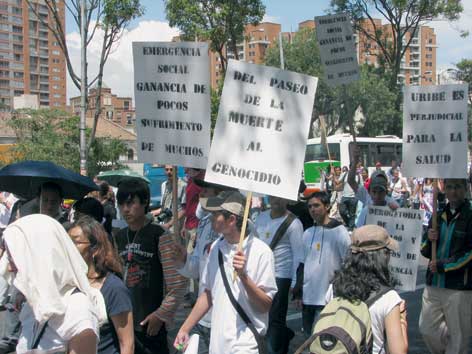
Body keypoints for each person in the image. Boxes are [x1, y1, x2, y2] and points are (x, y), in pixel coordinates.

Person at [174, 191, 277, 354]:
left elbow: (264, 305)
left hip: (245, 345)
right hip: (218, 344)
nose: (211, 217)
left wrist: (243, 276)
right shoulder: (215, 248)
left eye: (216, 214)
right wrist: (185, 328)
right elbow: (208, 293)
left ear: (232, 220)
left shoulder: (261, 252)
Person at [0, 214, 100, 354]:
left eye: (16, 258)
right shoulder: (33, 304)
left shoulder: (77, 310)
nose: (10, 268)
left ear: (38, 255)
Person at [115, 179, 186, 354]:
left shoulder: (160, 235)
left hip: (150, 327)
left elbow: (177, 284)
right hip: (123, 323)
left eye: (131, 203)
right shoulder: (118, 237)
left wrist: (160, 315)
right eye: (121, 203)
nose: (125, 209)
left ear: (145, 202)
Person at [326, 225, 408, 354]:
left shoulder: (334, 288)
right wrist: (402, 319)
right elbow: (398, 351)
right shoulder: (389, 298)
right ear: (383, 256)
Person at [171, 180, 226, 354]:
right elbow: (196, 269)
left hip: (226, 320)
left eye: (206, 190)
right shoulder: (203, 223)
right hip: (202, 316)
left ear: (220, 195)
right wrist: (182, 260)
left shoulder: (242, 229)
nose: (201, 194)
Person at [419, 178, 472, 354]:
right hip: (434, 283)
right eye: (449, 187)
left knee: (459, 339)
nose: (453, 192)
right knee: (427, 329)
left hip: (458, 286)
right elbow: (425, 250)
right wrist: (429, 237)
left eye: (457, 187)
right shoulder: (438, 215)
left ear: (465, 189)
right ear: (444, 189)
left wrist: (444, 266)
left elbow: (470, 254)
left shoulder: (470, 215)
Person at [69, 216, 134, 354]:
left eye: (76, 242)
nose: (69, 248)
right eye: (67, 242)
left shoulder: (114, 289)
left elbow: (127, 344)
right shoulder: (68, 285)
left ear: (95, 249)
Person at [293, 191, 350, 338]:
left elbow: (348, 263)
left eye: (317, 205)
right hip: (308, 298)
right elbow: (302, 264)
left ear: (327, 207)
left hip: (328, 298)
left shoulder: (339, 231)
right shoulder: (308, 233)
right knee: (308, 339)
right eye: (310, 206)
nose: (312, 209)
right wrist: (298, 293)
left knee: (323, 342)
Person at [255, 195, 304, 354]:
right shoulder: (261, 217)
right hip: (260, 273)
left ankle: (274, 348)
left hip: (280, 276)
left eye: (280, 197)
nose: (275, 200)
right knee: (261, 316)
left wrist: (295, 282)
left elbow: (298, 254)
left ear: (287, 200)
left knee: (274, 320)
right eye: (272, 196)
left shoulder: (294, 223)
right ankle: (283, 337)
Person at [152, 165, 186, 230]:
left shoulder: (183, 185)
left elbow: (184, 209)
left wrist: (170, 224)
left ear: (176, 170)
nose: (169, 172)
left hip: (176, 224)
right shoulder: (164, 185)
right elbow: (165, 206)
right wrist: (153, 212)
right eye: (167, 170)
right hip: (165, 221)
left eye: (171, 169)